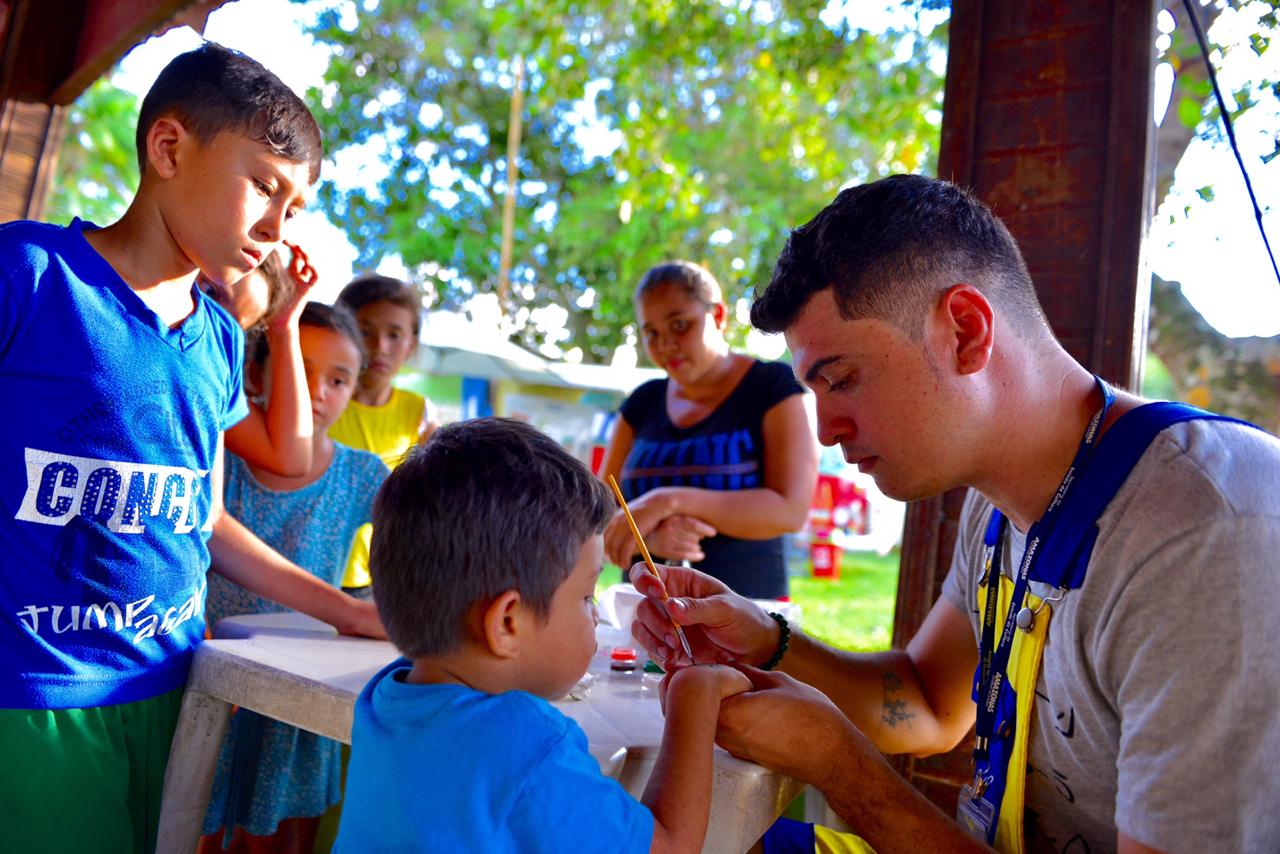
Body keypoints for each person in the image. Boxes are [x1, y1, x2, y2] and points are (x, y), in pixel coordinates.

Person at [629, 175, 1280, 854]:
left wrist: (841, 766)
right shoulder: (997, 503)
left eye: (842, 378)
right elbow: (929, 706)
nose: (824, 431)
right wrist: (766, 639)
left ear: (966, 331)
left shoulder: (1204, 534)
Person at [0, 43, 380, 854]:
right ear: (169, 148)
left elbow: (202, 520)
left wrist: (345, 609)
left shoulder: (215, 341)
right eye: (265, 187)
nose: (278, 229)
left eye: (299, 206)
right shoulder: (28, 275)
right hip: (38, 698)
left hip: (177, 687)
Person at [334, 417, 752, 853]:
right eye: (587, 596)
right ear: (507, 623)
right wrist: (695, 696)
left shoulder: (385, 697)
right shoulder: (525, 743)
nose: (594, 617)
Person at [200, 302, 388, 853]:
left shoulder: (361, 474)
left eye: (337, 379)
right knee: (196, 823)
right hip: (211, 680)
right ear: (254, 376)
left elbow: (424, 543)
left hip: (302, 699)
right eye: (300, 372)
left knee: (286, 839)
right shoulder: (218, 461)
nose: (319, 393)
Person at [599, 260, 818, 600]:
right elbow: (597, 511)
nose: (666, 344)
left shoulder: (770, 388)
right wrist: (648, 539)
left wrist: (665, 502)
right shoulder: (641, 403)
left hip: (747, 613)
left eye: (679, 325)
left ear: (717, 316)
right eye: (652, 333)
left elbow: (790, 509)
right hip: (644, 612)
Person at [329, 273, 437, 596]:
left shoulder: (419, 413)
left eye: (394, 334)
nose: (379, 347)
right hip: (308, 568)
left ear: (411, 345)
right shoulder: (317, 401)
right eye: (365, 331)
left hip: (381, 578)